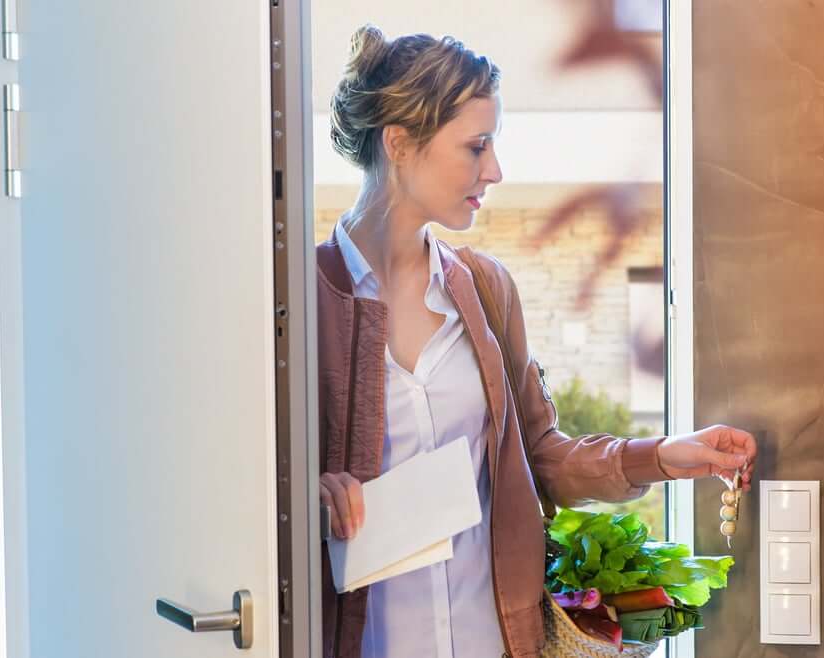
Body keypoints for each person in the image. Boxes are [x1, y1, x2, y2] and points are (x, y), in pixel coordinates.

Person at [316, 24, 757, 658]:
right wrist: (308, 498)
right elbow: (252, 491)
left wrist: (664, 455)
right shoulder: (302, 303)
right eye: (476, 146)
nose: (494, 169)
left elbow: (539, 456)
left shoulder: (485, 290)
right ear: (400, 144)